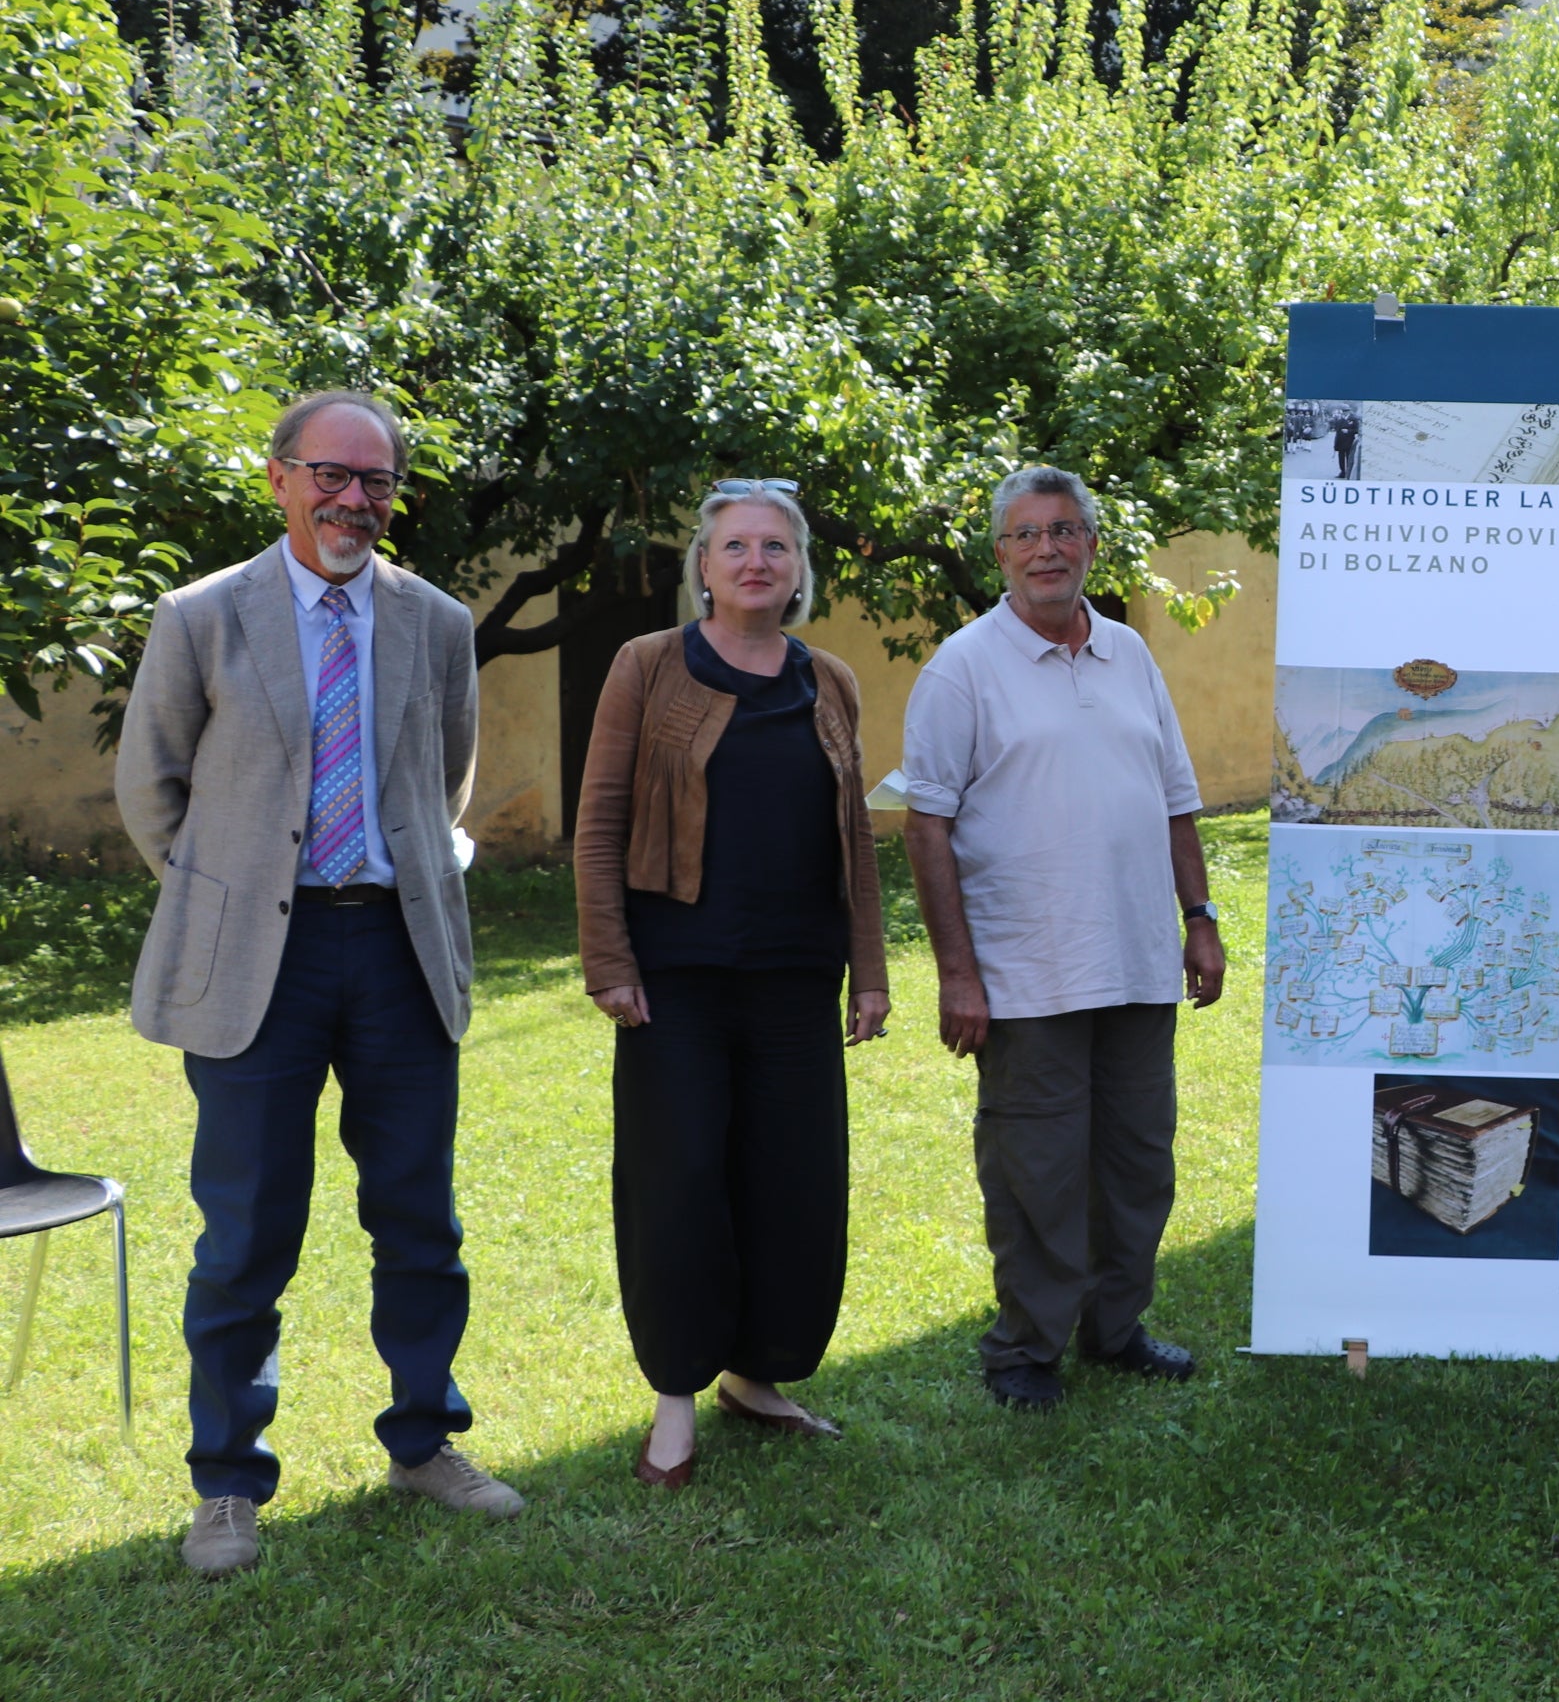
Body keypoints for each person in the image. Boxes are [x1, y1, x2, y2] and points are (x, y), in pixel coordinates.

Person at [114, 389, 522, 1581]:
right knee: (246, 1231)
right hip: (259, 967)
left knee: (420, 1217)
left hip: (397, 953)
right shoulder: (202, 616)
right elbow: (152, 787)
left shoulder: (436, 620)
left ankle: (425, 1441)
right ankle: (227, 1482)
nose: (353, 500)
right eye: (330, 475)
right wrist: (234, 895)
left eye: (375, 481)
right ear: (281, 477)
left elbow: (445, 778)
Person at [573, 481, 889, 1488]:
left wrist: (870, 970)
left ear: (799, 572)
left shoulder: (829, 679)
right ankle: (675, 1398)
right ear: (703, 567)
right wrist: (610, 960)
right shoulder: (648, 664)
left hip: (798, 978)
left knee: (795, 1187)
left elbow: (854, 834)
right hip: (677, 982)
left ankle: (758, 1376)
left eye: (776, 547)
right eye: (737, 546)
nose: (757, 561)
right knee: (677, 1187)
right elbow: (600, 817)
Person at [898, 465, 1226, 1412]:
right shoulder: (961, 667)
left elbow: (1175, 799)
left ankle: (1114, 1330)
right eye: (1027, 534)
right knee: (1037, 1172)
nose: (1047, 549)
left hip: (1138, 962)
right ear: (1001, 554)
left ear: (1091, 545)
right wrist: (957, 974)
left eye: (1065, 530)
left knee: (1137, 1162)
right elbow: (926, 826)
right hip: (1025, 973)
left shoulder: (1131, 653)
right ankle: (1024, 1350)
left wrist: (1199, 920)